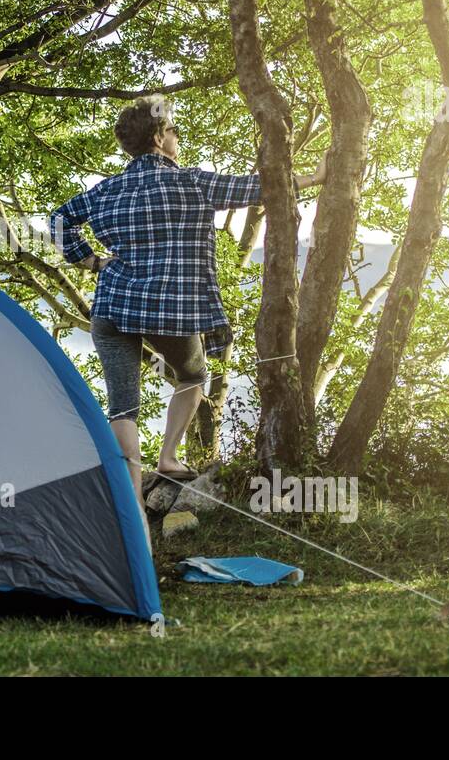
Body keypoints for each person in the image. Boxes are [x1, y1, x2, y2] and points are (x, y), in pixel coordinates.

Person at [50, 96, 325, 540]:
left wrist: (91, 262)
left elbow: (60, 218)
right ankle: (169, 457)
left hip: (113, 305)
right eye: (174, 131)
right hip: (171, 311)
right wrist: (315, 176)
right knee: (193, 375)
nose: (178, 137)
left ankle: (133, 509)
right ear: (159, 139)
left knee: (123, 406)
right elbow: (260, 187)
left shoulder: (106, 191)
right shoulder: (193, 183)